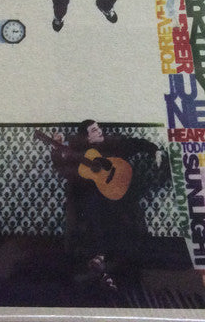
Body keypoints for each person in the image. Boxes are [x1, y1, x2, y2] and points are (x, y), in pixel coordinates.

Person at [50, 119, 164, 290]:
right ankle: (102, 268)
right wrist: (56, 150)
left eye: (99, 128)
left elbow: (135, 143)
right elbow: (63, 166)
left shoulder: (113, 143)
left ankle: (110, 266)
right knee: (92, 212)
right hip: (99, 200)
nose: (100, 131)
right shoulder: (84, 153)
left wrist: (155, 150)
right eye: (94, 130)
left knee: (122, 221)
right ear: (87, 138)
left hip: (122, 196)